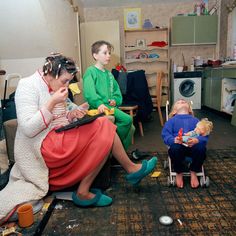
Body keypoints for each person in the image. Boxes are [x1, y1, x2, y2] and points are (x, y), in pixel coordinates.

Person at [0, 54, 157, 221]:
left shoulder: (55, 85)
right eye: (64, 81)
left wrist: (72, 115)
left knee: (103, 124)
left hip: (59, 135)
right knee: (103, 126)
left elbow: (59, 118)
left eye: (69, 81)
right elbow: (28, 128)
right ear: (51, 73)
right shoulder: (27, 85)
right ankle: (129, 171)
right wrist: (52, 102)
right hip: (41, 145)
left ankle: (87, 190)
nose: (67, 85)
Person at [83, 40, 134, 150]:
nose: (108, 56)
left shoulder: (109, 74)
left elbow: (117, 92)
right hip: (99, 108)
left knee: (132, 128)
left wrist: (115, 100)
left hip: (111, 107)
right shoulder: (90, 71)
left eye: (109, 53)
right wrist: (99, 103)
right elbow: (89, 93)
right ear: (95, 55)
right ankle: (111, 147)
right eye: (105, 53)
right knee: (127, 120)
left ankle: (118, 155)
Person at [161, 99, 211, 189]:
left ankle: (193, 171)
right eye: (178, 102)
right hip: (178, 146)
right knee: (174, 148)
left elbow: (205, 134)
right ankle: (179, 172)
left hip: (193, 146)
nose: (181, 101)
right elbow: (165, 134)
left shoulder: (196, 120)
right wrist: (173, 140)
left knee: (201, 148)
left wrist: (197, 140)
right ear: (174, 111)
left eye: (184, 101)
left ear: (189, 110)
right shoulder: (171, 121)